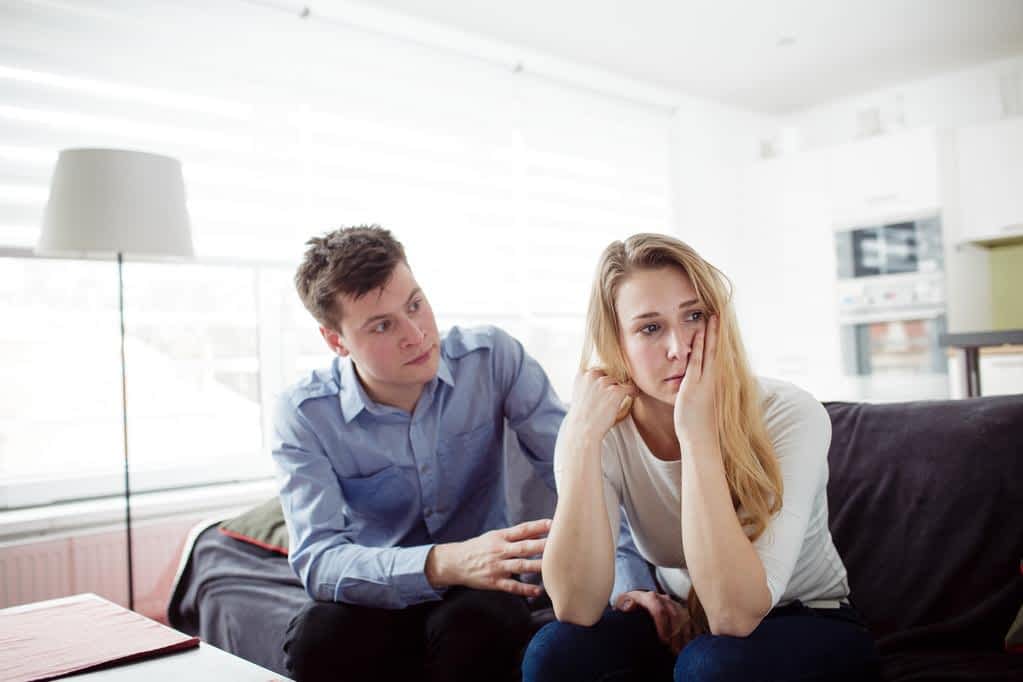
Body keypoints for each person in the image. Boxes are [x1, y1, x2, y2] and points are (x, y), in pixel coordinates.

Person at [272, 225, 650, 682]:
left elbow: (583, 474)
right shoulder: (305, 413)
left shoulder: (492, 358)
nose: (416, 334)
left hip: (485, 590)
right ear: (336, 341)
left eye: (415, 304)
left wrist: (631, 585)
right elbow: (318, 558)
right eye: (382, 325)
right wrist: (444, 562)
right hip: (378, 589)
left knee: (476, 627)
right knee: (316, 637)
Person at [522, 233, 880, 682]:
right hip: (688, 621)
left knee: (711, 666)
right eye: (650, 328)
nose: (679, 347)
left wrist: (696, 435)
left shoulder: (789, 413)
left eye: (693, 316)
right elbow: (574, 606)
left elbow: (733, 617)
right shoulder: (598, 427)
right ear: (617, 343)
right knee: (554, 651)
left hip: (808, 619)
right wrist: (579, 443)